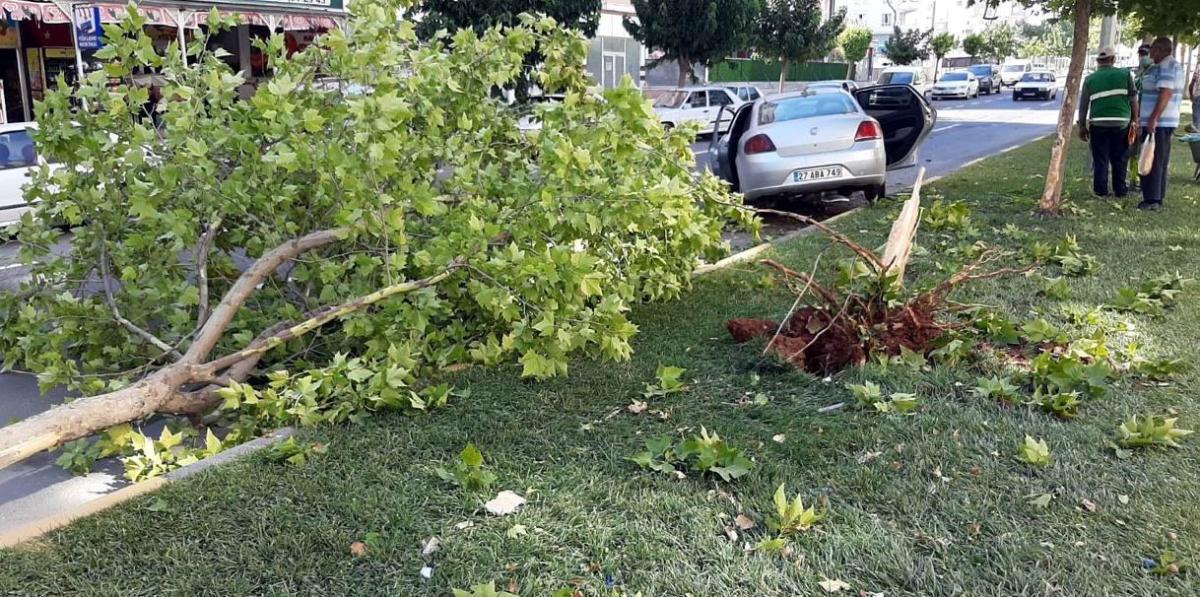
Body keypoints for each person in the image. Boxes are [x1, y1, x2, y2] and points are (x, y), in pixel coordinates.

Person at [1078, 47, 1138, 198]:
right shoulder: (1125, 75)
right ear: (1113, 59)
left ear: (1098, 61)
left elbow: (1084, 105)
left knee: (1101, 159)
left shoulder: (1090, 79)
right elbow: (1133, 100)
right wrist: (1135, 120)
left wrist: (1082, 127)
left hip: (1098, 124)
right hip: (1121, 123)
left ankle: (1101, 191)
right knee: (1120, 158)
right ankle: (1120, 190)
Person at [1137, 37, 1184, 211]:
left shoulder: (1167, 66)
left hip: (1160, 122)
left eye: (1153, 50)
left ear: (1161, 49)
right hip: (1161, 121)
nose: (1150, 53)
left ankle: (1152, 199)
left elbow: (1166, 93)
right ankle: (1156, 195)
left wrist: (1153, 118)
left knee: (1154, 158)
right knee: (1159, 158)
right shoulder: (1164, 65)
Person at [1129, 43, 1152, 190]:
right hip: (1137, 119)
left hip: (1149, 119)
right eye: (1141, 54)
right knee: (1134, 151)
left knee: (1146, 150)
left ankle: (1144, 179)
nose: (1143, 57)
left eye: (1145, 54)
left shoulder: (1152, 76)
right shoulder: (1137, 77)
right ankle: (1134, 179)